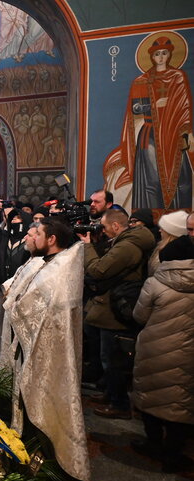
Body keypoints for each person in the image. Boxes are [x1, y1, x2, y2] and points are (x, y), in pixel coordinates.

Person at [0, 217, 89, 481]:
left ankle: (46, 459)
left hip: (47, 350)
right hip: (26, 346)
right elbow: (19, 286)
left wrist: (15, 304)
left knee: (42, 400)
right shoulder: (42, 261)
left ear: (51, 240)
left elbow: (41, 306)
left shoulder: (62, 269)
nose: (28, 236)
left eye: (34, 233)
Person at [80, 208, 156, 419]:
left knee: (111, 359)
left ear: (115, 226)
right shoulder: (125, 242)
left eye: (103, 227)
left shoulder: (127, 246)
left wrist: (87, 247)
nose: (101, 231)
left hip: (114, 310)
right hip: (109, 305)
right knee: (107, 356)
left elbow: (98, 270)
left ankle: (119, 404)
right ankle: (110, 393)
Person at [104, 36, 194, 211]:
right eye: (157, 54)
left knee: (181, 177)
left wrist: (186, 132)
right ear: (152, 57)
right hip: (150, 134)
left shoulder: (178, 77)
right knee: (151, 176)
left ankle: (178, 214)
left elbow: (184, 107)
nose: (161, 57)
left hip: (173, 135)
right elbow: (135, 108)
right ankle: (149, 215)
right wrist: (153, 105)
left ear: (169, 55)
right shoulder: (141, 80)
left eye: (164, 53)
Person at [130, 235, 194, 473]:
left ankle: (153, 443)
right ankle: (173, 453)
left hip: (153, 347)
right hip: (188, 350)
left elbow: (139, 316)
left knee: (150, 394)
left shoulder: (155, 282)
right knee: (181, 402)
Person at [0, 204, 32, 357]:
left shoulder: (29, 240)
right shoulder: (4, 237)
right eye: (12, 218)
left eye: (19, 218)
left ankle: (18, 349)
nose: (15, 221)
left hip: (22, 287)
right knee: (1, 317)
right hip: (4, 285)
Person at [148, 210, 187, 275]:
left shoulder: (173, 253)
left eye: (162, 228)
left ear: (171, 233)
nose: (159, 230)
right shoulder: (162, 246)